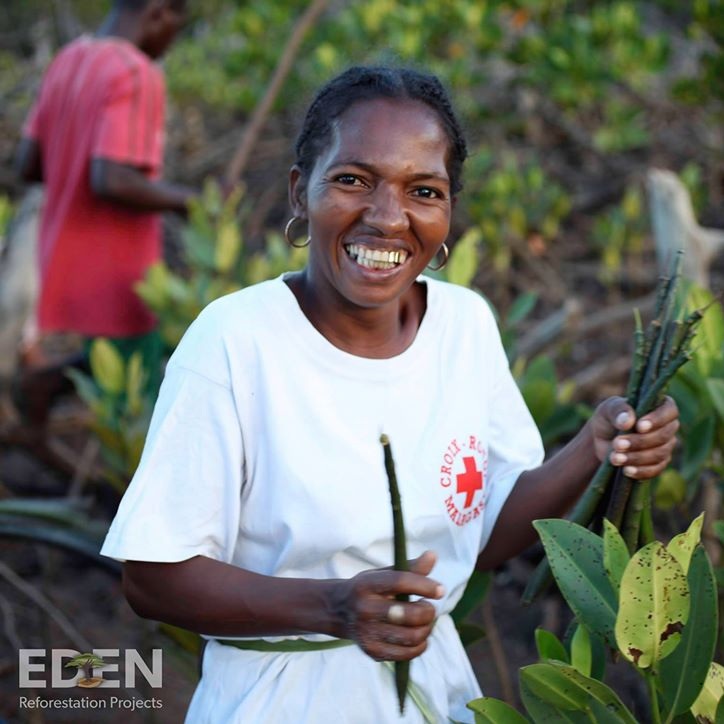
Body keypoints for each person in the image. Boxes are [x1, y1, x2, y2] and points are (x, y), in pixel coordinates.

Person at [100, 67, 679, 723]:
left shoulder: (464, 326)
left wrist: (595, 448)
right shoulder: (236, 340)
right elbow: (152, 576)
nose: (386, 217)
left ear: (448, 211)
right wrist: (334, 607)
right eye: (353, 180)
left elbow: (479, 537)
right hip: (278, 700)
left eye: (423, 191)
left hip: (437, 695)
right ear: (300, 191)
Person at [14, 0, 193, 434]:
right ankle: (44, 386)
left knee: (114, 361)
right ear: (159, 13)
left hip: (64, 260)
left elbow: (27, 165)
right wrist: (190, 201)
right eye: (177, 27)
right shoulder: (136, 71)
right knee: (133, 409)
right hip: (117, 273)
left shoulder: (68, 59)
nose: (170, 43)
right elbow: (110, 179)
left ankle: (44, 383)